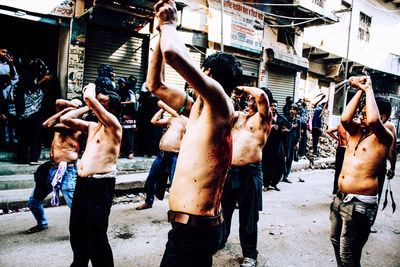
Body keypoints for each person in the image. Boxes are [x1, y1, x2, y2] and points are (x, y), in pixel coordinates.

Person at [146, 1, 242, 266]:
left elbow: (174, 56)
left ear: (208, 73)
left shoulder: (221, 103)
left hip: (196, 231)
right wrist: (159, 31)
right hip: (186, 230)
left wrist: (169, 25)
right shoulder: (196, 106)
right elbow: (153, 84)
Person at [329, 76, 393, 267]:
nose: (361, 117)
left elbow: (373, 120)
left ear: (382, 118)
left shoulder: (384, 137)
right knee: (336, 242)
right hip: (341, 198)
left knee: (348, 251)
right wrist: (358, 89)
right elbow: (344, 118)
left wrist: (368, 88)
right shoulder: (356, 131)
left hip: (360, 204)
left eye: (363, 114)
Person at [60, 83, 122, 267]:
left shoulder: (114, 126)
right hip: (82, 183)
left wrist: (92, 92)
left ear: (110, 108)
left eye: (102, 103)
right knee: (76, 230)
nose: (96, 106)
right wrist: (86, 107)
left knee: (95, 233)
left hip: (100, 184)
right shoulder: (92, 126)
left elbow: (90, 98)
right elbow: (65, 118)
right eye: (97, 102)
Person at [220, 86, 272, 267]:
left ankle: (250, 254)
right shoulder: (238, 117)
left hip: (250, 172)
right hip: (229, 171)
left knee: (248, 216)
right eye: (249, 98)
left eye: (253, 97)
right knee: (223, 210)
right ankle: (221, 240)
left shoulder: (264, 119)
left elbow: (263, 96)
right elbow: (222, 109)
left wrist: (244, 88)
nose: (251, 99)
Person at [27, 98, 83, 234]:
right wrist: (69, 107)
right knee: (33, 202)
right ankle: (42, 224)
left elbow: (46, 124)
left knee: (74, 206)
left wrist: (70, 109)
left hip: (67, 171)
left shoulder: (73, 126)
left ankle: (83, 232)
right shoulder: (62, 120)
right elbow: (58, 101)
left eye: (76, 107)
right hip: (51, 169)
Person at [136, 100, 187, 210]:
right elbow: (154, 121)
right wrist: (162, 109)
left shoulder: (186, 120)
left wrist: (165, 106)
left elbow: (161, 102)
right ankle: (148, 202)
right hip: (162, 155)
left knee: (174, 183)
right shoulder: (172, 119)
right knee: (151, 178)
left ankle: (176, 208)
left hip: (175, 155)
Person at [14, 58, 47, 164]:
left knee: (22, 139)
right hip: (35, 116)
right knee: (36, 137)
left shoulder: (18, 86)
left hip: (21, 116)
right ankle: (34, 158)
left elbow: (16, 100)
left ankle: (22, 158)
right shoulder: (37, 89)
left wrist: (20, 113)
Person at [262, 99, 290, 191]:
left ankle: (274, 183)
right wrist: (271, 127)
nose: (274, 108)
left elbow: (289, 126)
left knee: (280, 166)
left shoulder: (281, 118)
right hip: (268, 145)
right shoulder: (265, 118)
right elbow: (261, 128)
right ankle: (266, 184)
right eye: (272, 106)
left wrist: (287, 130)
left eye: (275, 106)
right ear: (269, 107)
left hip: (279, 145)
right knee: (267, 166)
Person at [0, 48, 18, 147]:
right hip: (1, 93)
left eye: (6, 52)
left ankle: (11, 140)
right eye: (3, 52)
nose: (5, 54)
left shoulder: (10, 65)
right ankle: (4, 139)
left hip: (8, 94)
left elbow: (14, 77)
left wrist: (11, 64)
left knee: (10, 117)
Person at [327, 123, 350, 194]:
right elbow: (347, 139)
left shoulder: (340, 126)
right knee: (345, 171)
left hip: (340, 148)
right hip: (345, 148)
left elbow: (329, 131)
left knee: (338, 170)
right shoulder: (348, 127)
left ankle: (335, 189)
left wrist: (338, 139)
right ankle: (342, 190)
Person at [118, 77, 137, 159]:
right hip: (123, 114)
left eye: (122, 84)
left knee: (129, 134)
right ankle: (123, 151)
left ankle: (130, 152)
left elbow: (133, 101)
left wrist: (122, 103)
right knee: (123, 134)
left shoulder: (130, 91)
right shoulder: (121, 92)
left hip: (130, 115)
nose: (120, 85)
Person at [282, 104, 301, 183]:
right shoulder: (285, 119)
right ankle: (280, 174)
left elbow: (298, 133)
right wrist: (290, 128)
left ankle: (286, 176)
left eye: (294, 109)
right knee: (282, 158)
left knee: (290, 159)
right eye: (291, 109)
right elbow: (282, 130)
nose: (292, 111)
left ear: (296, 111)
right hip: (285, 141)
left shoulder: (298, 122)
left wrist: (297, 143)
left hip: (292, 142)